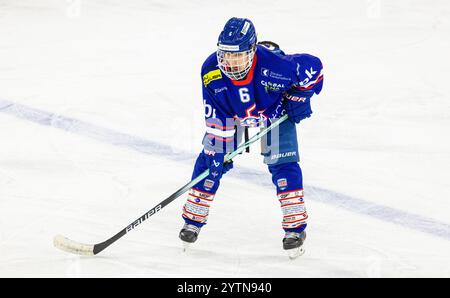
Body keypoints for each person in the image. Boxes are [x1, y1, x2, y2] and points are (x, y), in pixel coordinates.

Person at [179, 17, 323, 257]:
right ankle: (193, 217)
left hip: (273, 114)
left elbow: (314, 68)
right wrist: (218, 150)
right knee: (210, 160)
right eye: (226, 55)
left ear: (253, 51)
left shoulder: (277, 66)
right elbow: (215, 114)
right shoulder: (211, 71)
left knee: (282, 161)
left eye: (238, 56)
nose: (231, 62)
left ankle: (295, 226)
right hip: (231, 115)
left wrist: (300, 97)